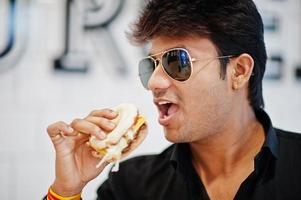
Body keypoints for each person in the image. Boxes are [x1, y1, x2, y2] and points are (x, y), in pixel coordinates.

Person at [44, 0, 301, 199]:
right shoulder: (129, 188)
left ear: (240, 71)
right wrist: (66, 190)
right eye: (151, 65)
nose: (154, 82)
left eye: (177, 61)